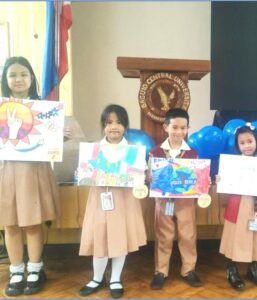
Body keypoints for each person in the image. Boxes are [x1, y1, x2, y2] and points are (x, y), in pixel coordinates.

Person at [0, 56, 59, 296]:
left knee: (33, 221)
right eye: (13, 74)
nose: (18, 79)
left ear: (31, 78)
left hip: (34, 169)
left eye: (24, 74)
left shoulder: (44, 108)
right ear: (5, 79)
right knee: (10, 223)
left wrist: (59, 134)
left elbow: (52, 140)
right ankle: (16, 269)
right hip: (6, 169)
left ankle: (35, 268)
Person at [79, 104, 147, 298]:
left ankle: (116, 278)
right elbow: (85, 175)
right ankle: (97, 277)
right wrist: (81, 172)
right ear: (103, 126)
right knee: (99, 236)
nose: (114, 127)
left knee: (119, 237)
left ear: (125, 126)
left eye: (118, 122)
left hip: (123, 199)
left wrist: (141, 172)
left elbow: (138, 175)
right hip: (99, 198)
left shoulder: (133, 151)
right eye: (109, 122)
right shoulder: (93, 149)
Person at [216, 123, 257, 290]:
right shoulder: (232, 163)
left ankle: (253, 268)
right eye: (242, 143)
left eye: (249, 141)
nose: (246, 146)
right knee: (235, 235)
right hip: (238, 204)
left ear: (256, 141)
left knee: (255, 235)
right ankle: (231, 270)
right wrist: (221, 181)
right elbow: (225, 185)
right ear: (238, 145)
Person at [148, 108, 202, 290]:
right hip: (163, 201)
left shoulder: (193, 154)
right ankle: (160, 271)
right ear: (166, 127)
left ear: (188, 129)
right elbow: (150, 176)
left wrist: (203, 180)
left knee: (188, 235)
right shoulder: (155, 152)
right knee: (164, 235)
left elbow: (197, 178)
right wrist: (149, 177)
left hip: (185, 201)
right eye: (175, 127)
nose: (179, 132)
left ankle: (188, 270)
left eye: (183, 128)